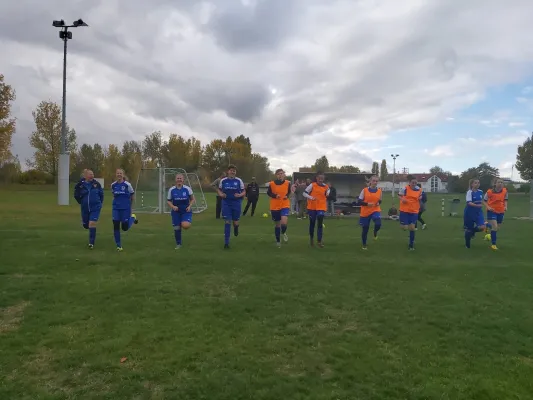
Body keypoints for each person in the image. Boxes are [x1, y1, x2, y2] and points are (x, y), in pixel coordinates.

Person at [73, 168, 103, 249]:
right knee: (86, 225)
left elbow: (101, 195)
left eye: (93, 174)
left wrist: (99, 203)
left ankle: (91, 243)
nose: (92, 176)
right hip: (85, 208)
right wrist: (81, 202)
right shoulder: (80, 185)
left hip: (95, 207)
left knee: (92, 223)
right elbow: (76, 195)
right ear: (85, 175)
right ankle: (85, 224)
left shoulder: (96, 184)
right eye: (90, 174)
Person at [217, 165, 245, 249]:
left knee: (235, 221)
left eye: (234, 171)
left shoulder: (239, 181)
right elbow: (219, 190)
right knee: (227, 222)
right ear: (228, 171)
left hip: (236, 203)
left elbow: (244, 191)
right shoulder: (223, 181)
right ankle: (226, 243)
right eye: (231, 170)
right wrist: (221, 194)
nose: (233, 172)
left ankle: (236, 227)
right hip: (226, 203)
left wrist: (240, 194)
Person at [111, 169, 138, 251]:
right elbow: (114, 195)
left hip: (125, 209)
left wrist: (131, 207)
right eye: (117, 173)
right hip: (116, 209)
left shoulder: (127, 185)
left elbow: (132, 196)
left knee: (124, 228)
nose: (119, 174)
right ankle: (119, 246)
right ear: (116, 174)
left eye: (120, 173)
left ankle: (132, 218)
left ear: (123, 175)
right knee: (116, 225)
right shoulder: (113, 185)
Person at [167, 173, 196, 249]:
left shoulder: (187, 189)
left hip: (186, 210)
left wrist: (189, 206)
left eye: (180, 178)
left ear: (183, 180)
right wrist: (173, 206)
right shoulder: (171, 190)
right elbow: (168, 201)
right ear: (175, 180)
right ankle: (178, 244)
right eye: (178, 178)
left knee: (185, 225)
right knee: (176, 228)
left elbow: (193, 199)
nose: (179, 180)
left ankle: (184, 221)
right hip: (176, 211)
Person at [303, 171, 330, 248]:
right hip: (312, 207)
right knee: (312, 223)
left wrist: (327, 193)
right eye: (319, 178)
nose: (321, 180)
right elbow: (304, 193)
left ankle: (319, 241)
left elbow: (328, 190)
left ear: (324, 178)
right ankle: (311, 238)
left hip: (321, 207)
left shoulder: (326, 186)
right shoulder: (312, 185)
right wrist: (311, 197)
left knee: (320, 222)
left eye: (322, 178)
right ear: (316, 178)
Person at [267, 169, 291, 247]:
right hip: (275, 206)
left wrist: (287, 196)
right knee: (277, 225)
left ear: (284, 174)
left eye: (282, 173)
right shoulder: (272, 183)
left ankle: (283, 232)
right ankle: (278, 241)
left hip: (284, 205)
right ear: (276, 175)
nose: (280, 175)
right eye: (278, 174)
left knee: (283, 223)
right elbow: (269, 192)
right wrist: (275, 196)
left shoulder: (287, 183)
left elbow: (289, 192)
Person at [398, 175, 424, 250]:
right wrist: (402, 199)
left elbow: (421, 195)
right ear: (409, 182)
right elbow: (399, 196)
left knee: (412, 228)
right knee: (405, 228)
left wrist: (420, 197)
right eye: (413, 182)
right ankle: (403, 224)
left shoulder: (419, 189)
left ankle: (411, 244)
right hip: (404, 210)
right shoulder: (405, 189)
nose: (414, 184)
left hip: (414, 211)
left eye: (415, 183)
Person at [358, 176, 382, 250]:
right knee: (365, 229)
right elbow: (359, 201)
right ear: (370, 181)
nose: (375, 182)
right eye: (374, 181)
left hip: (375, 210)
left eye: (376, 181)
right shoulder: (364, 190)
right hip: (365, 212)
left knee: (378, 223)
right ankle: (364, 244)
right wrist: (367, 204)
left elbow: (380, 200)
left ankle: (375, 232)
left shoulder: (379, 191)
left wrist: (378, 203)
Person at [483, 178, 508, 250]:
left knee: (497, 228)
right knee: (495, 227)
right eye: (499, 182)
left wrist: (505, 206)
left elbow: (505, 200)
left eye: (502, 182)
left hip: (501, 211)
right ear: (495, 184)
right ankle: (493, 244)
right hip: (491, 211)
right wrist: (488, 207)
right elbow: (484, 201)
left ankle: (486, 225)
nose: (500, 184)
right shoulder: (489, 192)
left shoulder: (505, 191)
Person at [463, 178, 486, 249]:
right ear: (472, 184)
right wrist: (477, 205)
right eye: (475, 183)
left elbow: (481, 200)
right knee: (468, 229)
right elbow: (469, 202)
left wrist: (487, 206)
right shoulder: (469, 192)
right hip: (469, 212)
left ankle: (473, 231)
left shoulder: (481, 191)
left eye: (478, 183)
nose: (477, 184)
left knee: (482, 227)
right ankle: (467, 245)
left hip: (478, 212)